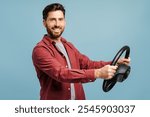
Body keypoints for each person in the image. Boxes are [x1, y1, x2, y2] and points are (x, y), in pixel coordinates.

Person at [32, 3, 130, 100]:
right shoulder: (40, 50)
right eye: (52, 20)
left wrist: (114, 63)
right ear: (44, 23)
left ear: (64, 22)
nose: (57, 24)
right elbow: (61, 73)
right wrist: (98, 73)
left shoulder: (69, 46)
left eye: (60, 19)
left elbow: (88, 65)